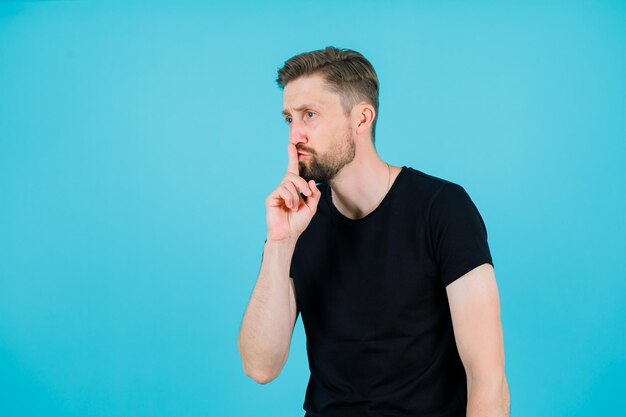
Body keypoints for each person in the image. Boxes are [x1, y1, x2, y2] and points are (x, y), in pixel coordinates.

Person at [237, 46, 510, 417]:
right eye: (289, 119)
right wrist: (280, 244)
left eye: (310, 115)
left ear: (362, 118)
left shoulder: (442, 208)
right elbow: (260, 367)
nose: (294, 135)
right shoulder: (298, 223)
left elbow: (487, 378)